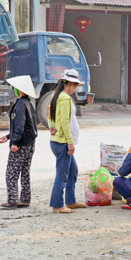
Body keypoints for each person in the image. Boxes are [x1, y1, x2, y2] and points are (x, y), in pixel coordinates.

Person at [48, 69, 86, 214]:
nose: (75, 88)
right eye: (75, 85)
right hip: (63, 143)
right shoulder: (64, 99)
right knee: (62, 175)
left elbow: (50, 114)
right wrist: (70, 142)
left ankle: (70, 201)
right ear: (70, 83)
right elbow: (65, 122)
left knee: (72, 171)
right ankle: (57, 205)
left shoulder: (56, 95)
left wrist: (51, 125)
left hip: (58, 141)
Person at [0, 75, 38, 209]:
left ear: (19, 89)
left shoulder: (21, 104)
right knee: (25, 171)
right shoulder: (28, 102)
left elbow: (20, 125)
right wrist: (9, 136)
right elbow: (28, 125)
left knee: (11, 172)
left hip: (21, 143)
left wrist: (14, 142)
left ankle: (12, 200)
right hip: (30, 143)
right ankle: (25, 199)